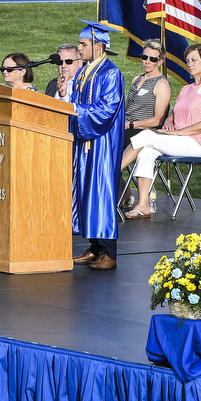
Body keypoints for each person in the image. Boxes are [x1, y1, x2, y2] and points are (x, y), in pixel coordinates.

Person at [119, 44, 201, 221]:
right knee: (146, 152)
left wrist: (179, 132)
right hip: (178, 138)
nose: (189, 64)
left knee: (145, 135)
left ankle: (109, 173)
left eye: (194, 60)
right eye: (188, 60)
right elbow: (173, 114)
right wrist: (168, 123)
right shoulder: (186, 89)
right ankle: (143, 205)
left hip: (197, 143)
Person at [69, 21, 126, 270]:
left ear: (98, 46)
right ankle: (95, 248)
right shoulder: (84, 72)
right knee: (84, 192)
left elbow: (107, 110)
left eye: (83, 44)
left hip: (101, 142)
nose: (79, 49)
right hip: (85, 141)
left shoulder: (111, 73)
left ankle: (109, 252)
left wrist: (75, 111)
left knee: (100, 193)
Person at [122, 39, 171, 149]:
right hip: (125, 127)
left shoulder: (161, 84)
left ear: (160, 62)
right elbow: (125, 108)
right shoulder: (136, 79)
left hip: (142, 131)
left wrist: (130, 124)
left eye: (152, 59)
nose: (147, 61)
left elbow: (158, 120)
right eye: (144, 57)